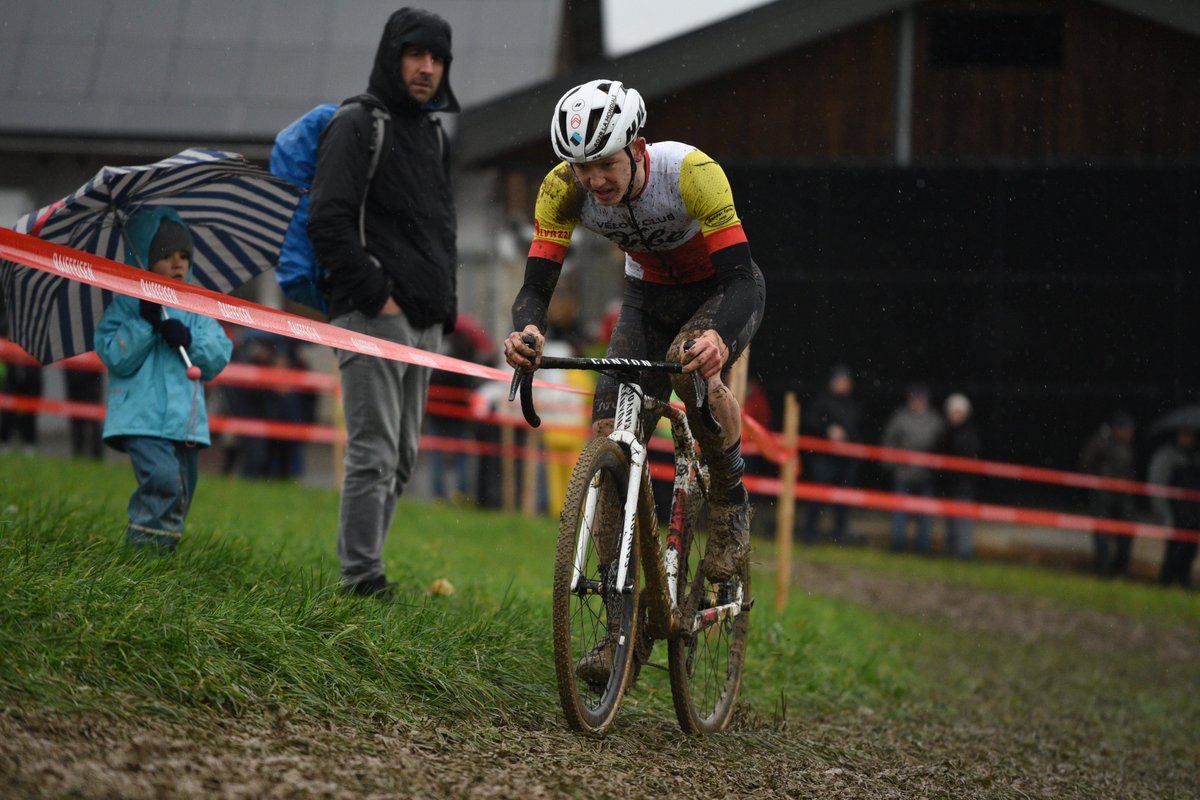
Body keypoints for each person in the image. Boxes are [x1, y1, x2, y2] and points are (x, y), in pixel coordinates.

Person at [504, 79, 766, 684]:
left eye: (606, 164)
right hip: (647, 301)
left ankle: (730, 503)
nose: (594, 179)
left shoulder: (691, 173)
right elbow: (537, 286)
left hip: (719, 294)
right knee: (608, 436)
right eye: (582, 167)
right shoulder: (561, 188)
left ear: (638, 147)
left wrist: (717, 338)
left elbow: (741, 280)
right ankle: (619, 628)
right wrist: (528, 331)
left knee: (690, 368)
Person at [307, 7, 459, 599]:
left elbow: (441, 228)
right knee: (372, 452)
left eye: (437, 58)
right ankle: (361, 577)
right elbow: (328, 222)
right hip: (372, 316)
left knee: (401, 457)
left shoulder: (434, 134)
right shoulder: (358, 123)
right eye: (416, 54)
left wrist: (443, 306)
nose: (427, 69)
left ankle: (366, 569)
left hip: (424, 322)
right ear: (393, 57)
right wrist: (381, 297)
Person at [94, 207, 232, 552]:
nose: (177, 263)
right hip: (141, 418)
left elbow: (218, 354)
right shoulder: (127, 306)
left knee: (181, 489)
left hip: (185, 422)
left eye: (184, 256)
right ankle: (141, 550)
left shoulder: (196, 307)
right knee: (162, 479)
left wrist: (189, 338)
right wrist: (146, 324)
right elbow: (113, 355)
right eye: (166, 255)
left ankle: (163, 553)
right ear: (143, 259)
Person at [801, 365, 862, 544]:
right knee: (817, 496)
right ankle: (810, 533)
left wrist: (847, 436)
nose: (843, 385)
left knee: (843, 500)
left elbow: (859, 432)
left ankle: (840, 535)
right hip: (824, 458)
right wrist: (827, 429)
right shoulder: (822, 401)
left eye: (846, 381)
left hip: (845, 460)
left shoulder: (853, 406)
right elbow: (810, 422)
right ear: (832, 382)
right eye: (840, 381)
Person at [881, 383, 945, 554]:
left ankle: (923, 549)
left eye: (920, 398)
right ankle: (897, 547)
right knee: (899, 513)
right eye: (914, 398)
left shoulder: (934, 419)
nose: (917, 401)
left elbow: (943, 445)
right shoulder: (900, 417)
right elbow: (889, 441)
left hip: (926, 476)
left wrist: (937, 469)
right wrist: (893, 464)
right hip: (904, 474)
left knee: (925, 515)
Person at [1079, 412, 1136, 577]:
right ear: (1118, 428)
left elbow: (1131, 469)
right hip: (1103, 493)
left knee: (1126, 530)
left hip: (1123, 493)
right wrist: (1099, 483)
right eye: (1127, 429)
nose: (1129, 433)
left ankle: (1121, 570)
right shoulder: (1100, 441)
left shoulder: (1128, 446)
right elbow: (1086, 464)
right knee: (1102, 532)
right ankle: (1103, 569)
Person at [1147, 428, 1200, 588]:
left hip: (1194, 515)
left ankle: (1183, 582)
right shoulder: (1167, 455)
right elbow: (1157, 486)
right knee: (1174, 551)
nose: (1187, 438)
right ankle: (1166, 582)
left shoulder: (1195, 457)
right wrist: (1165, 516)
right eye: (1185, 434)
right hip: (1176, 514)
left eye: (1190, 435)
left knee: (1190, 551)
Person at [938, 393, 981, 559]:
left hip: (963, 486)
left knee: (963, 521)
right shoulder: (945, 433)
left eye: (958, 412)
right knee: (950, 521)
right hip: (949, 485)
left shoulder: (969, 435)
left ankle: (964, 553)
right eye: (953, 412)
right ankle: (951, 551)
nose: (955, 416)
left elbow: (967, 462)